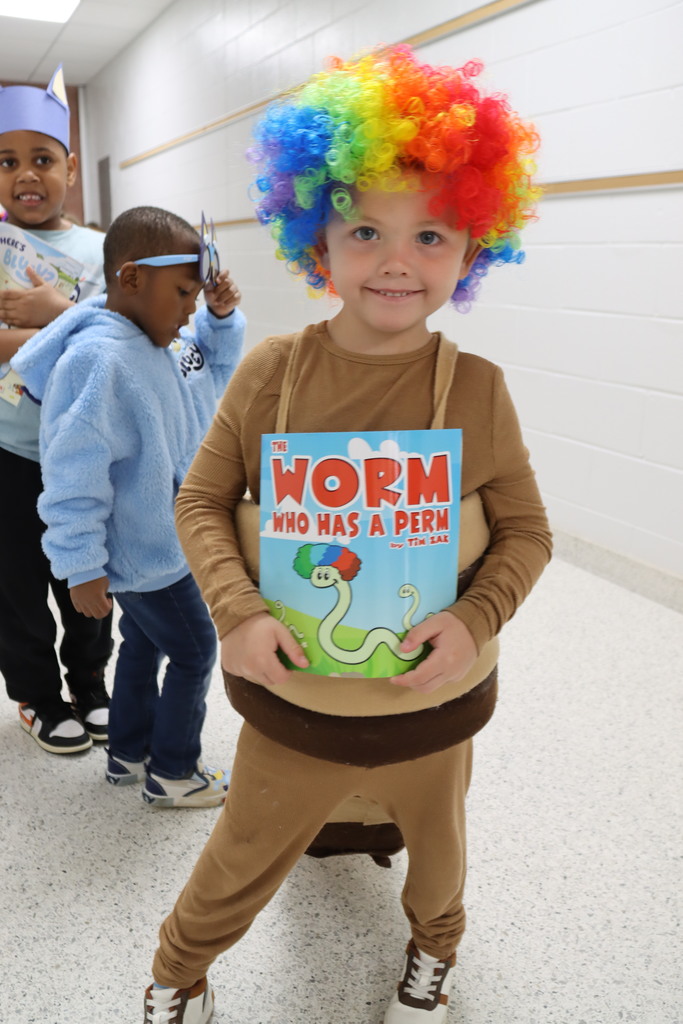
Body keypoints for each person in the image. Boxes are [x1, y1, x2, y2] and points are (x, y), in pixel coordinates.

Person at [144, 46, 552, 1022]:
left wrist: (474, 618)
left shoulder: (476, 391)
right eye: (365, 229)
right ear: (316, 242)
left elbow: (526, 532)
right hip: (293, 706)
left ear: (471, 250)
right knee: (239, 855)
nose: (397, 261)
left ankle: (431, 959)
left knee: (438, 856)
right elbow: (200, 501)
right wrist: (236, 614)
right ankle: (177, 972)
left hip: (433, 708)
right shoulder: (271, 375)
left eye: (432, 234)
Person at [12, 205, 246, 807]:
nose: (191, 309)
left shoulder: (162, 340)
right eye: (184, 294)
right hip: (148, 551)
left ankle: (126, 752)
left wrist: (220, 318)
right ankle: (173, 771)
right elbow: (70, 475)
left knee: (144, 649)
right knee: (196, 651)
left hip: (171, 542)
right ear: (134, 278)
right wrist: (81, 566)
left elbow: (212, 370)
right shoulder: (101, 362)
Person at [0, 65, 113, 754]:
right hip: (9, 452)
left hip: (88, 455)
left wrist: (51, 321)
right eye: (6, 161)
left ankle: (92, 685)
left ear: (70, 168)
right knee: (16, 588)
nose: (25, 175)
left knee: (90, 582)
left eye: (42, 158)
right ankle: (39, 698)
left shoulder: (104, 252)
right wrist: (54, 334)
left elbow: (121, 344)